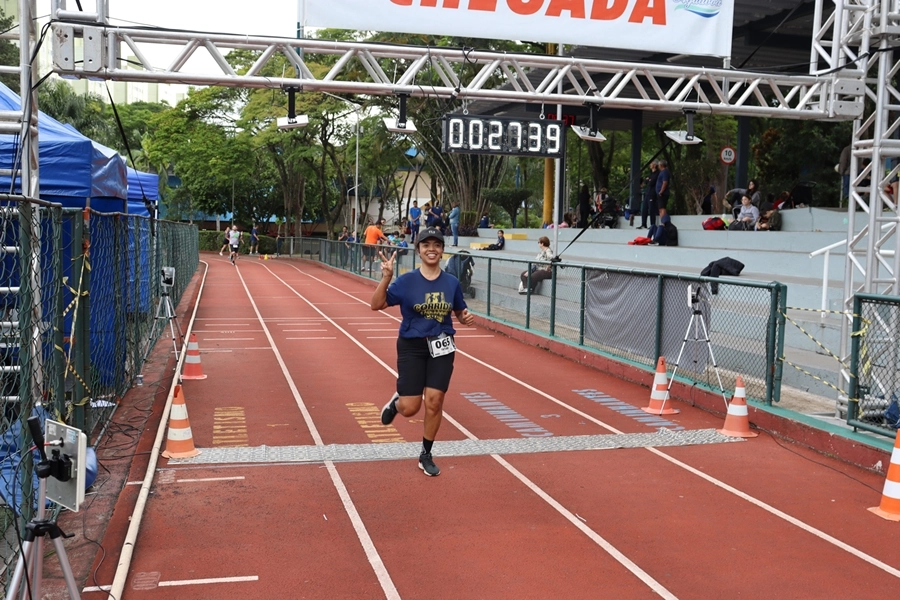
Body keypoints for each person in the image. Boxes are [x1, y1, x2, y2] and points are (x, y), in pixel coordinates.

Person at [372, 227, 475, 477]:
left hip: (442, 346)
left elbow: (459, 310)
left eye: (436, 245)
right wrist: (386, 277)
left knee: (435, 401)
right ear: (418, 250)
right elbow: (376, 305)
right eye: (426, 245)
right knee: (411, 408)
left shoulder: (451, 282)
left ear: (442, 250)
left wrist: (464, 317)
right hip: (412, 346)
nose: (432, 249)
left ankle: (426, 454)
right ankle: (398, 403)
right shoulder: (407, 281)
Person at [640, 160, 659, 229]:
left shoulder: (657, 173)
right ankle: (643, 224)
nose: (650, 165)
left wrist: (648, 180)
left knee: (651, 209)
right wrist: (648, 180)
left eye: (651, 164)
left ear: (654, 165)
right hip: (647, 193)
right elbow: (646, 181)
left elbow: (651, 182)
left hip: (652, 193)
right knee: (644, 209)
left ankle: (652, 224)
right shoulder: (651, 173)